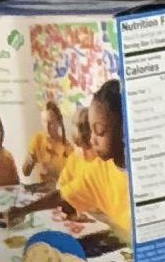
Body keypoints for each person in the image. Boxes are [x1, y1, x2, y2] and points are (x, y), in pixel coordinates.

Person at [56, 81, 134, 240]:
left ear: (124, 129)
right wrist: (23, 210)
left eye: (98, 131)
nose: (92, 140)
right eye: (91, 131)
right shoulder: (100, 169)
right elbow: (64, 194)